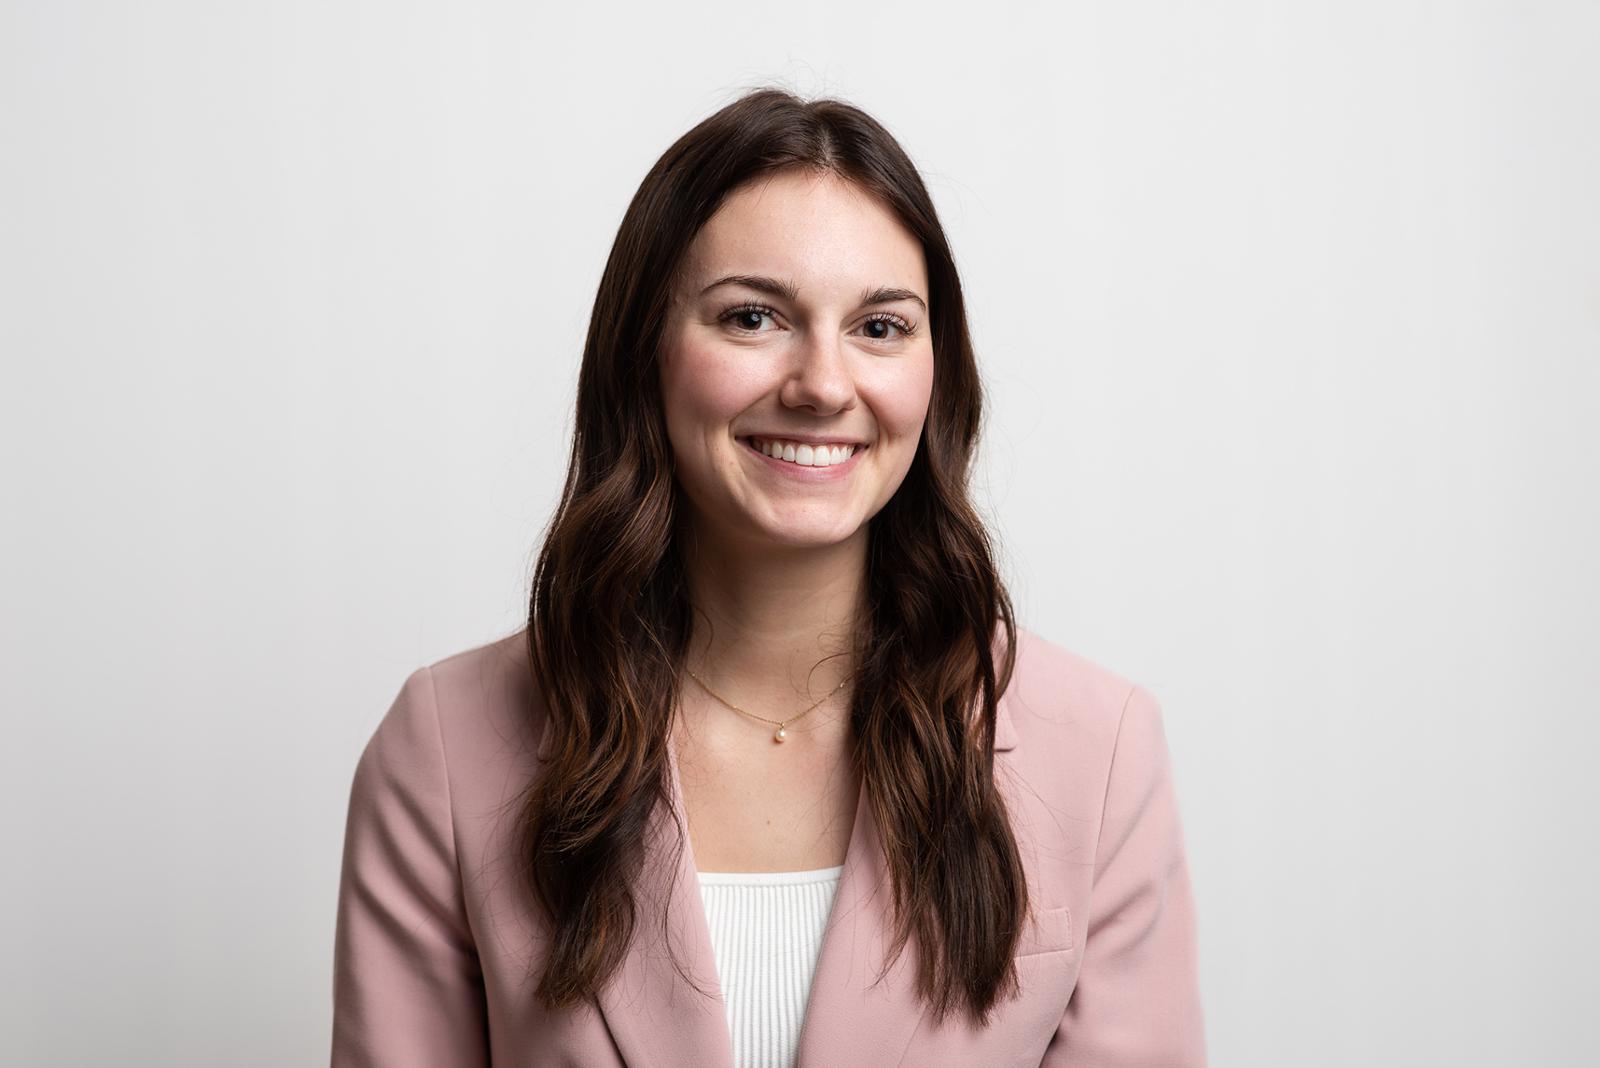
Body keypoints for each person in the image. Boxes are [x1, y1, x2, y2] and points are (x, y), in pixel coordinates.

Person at [330, 86, 1207, 1068]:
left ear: (936, 371)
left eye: (879, 327)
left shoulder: (1097, 753)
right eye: (752, 317)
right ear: (643, 356)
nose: (823, 385)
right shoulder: (447, 749)